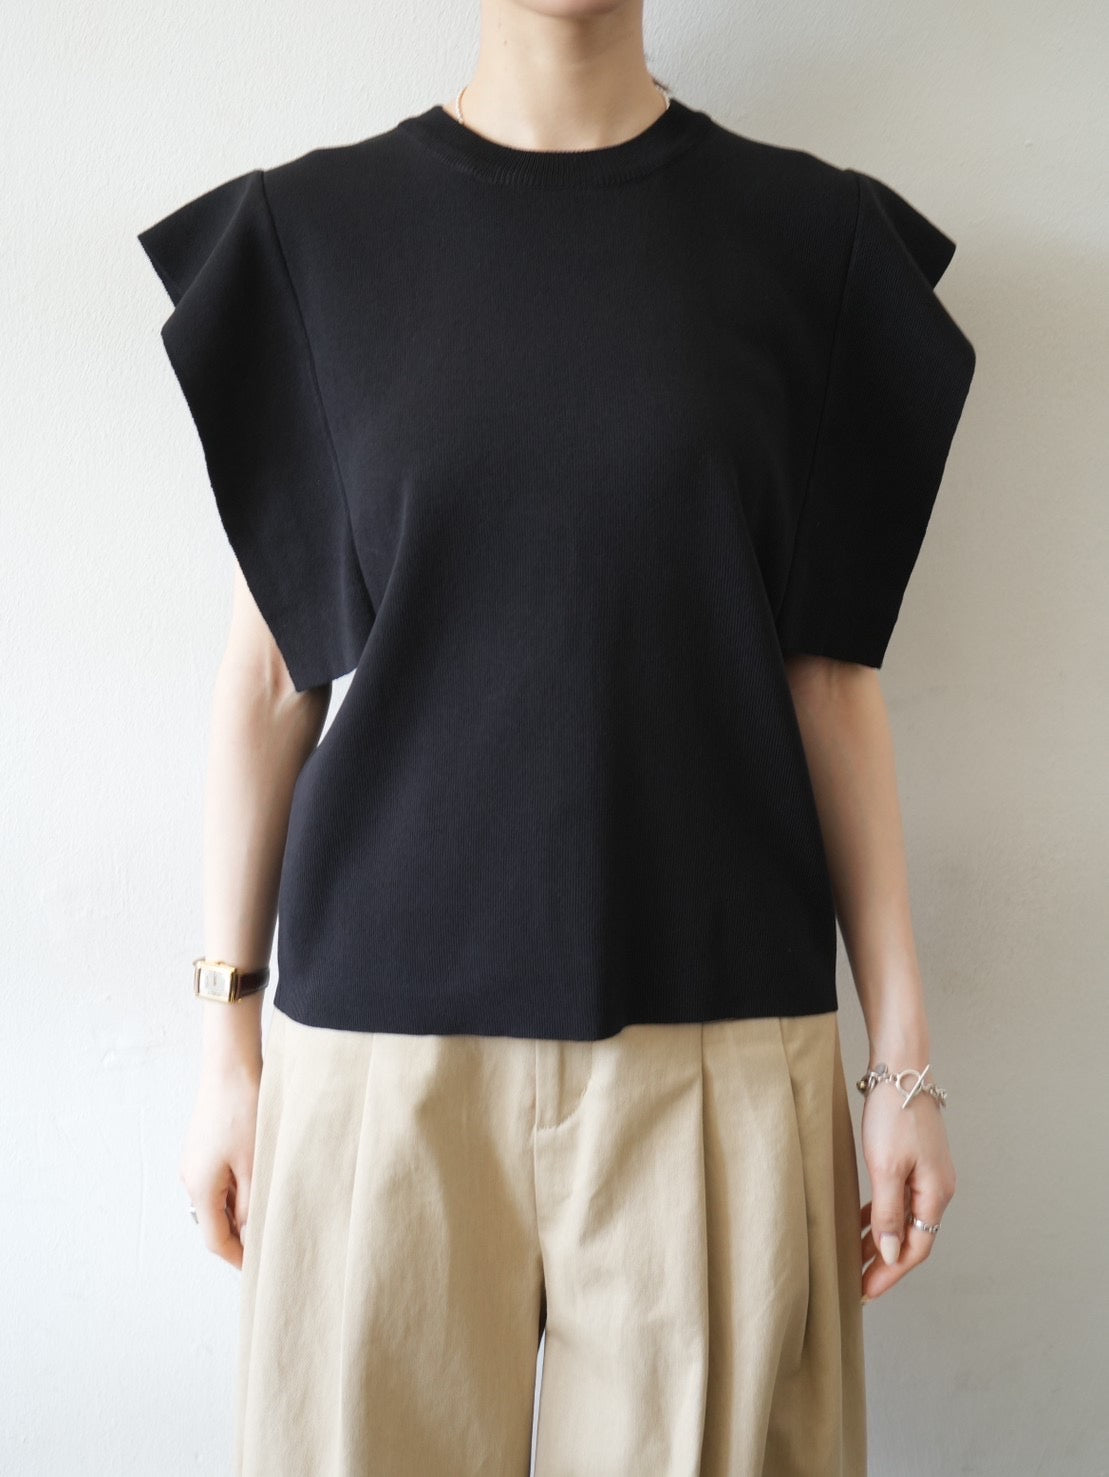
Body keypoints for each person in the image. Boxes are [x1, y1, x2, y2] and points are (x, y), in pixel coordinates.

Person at [137, 4, 974, 1473]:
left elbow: (828, 678)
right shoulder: (315, 240)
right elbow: (271, 673)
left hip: (714, 1050)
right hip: (377, 1069)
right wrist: (225, 1039)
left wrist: (900, 1065)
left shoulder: (811, 244)